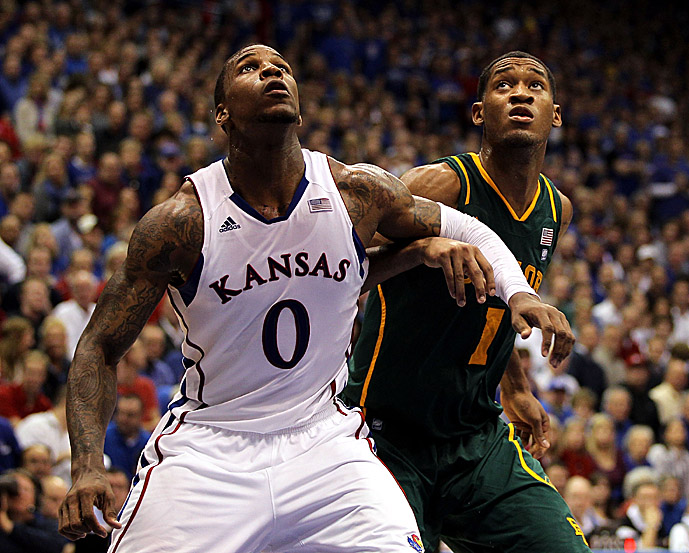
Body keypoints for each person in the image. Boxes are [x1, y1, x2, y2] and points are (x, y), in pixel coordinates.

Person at [59, 44, 573, 552]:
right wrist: (87, 467)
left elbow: (471, 233)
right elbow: (98, 348)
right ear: (222, 114)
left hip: (325, 440)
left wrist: (515, 292)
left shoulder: (354, 193)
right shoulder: (180, 222)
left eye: (281, 67)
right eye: (251, 68)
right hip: (212, 445)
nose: (271, 73)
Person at [344, 50, 585, 552]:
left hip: (475, 435)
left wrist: (516, 387)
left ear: (555, 115)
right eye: (504, 84)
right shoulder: (441, 184)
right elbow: (338, 267)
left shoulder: (554, 209)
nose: (521, 93)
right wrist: (421, 250)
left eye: (535, 85)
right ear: (479, 113)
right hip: (383, 433)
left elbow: (499, 313)